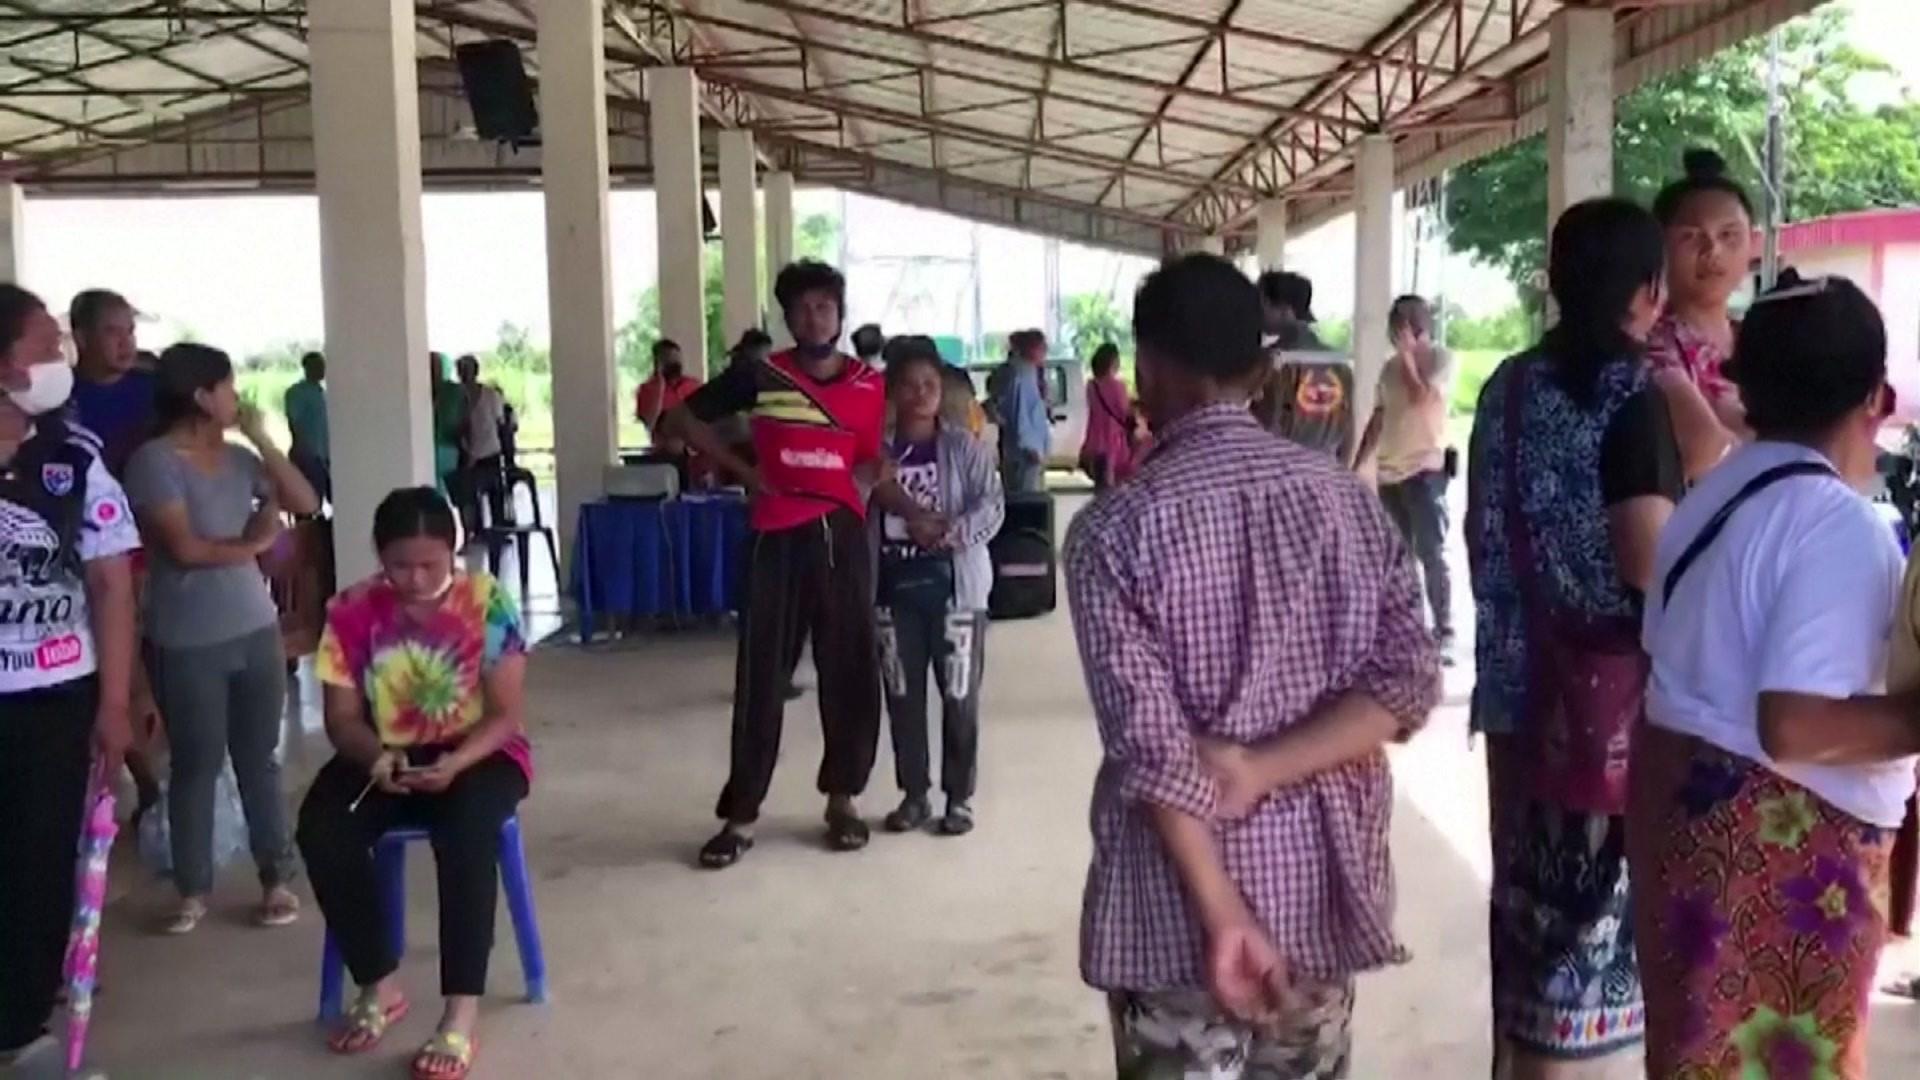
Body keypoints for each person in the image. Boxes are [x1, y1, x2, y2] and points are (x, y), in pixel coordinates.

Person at [1065, 254, 1440, 1078]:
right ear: (1262, 367)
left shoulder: (1112, 532)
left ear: (1147, 367)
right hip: (1318, 891)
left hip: (1175, 911)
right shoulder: (1346, 502)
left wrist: (1224, 913)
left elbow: (1153, 749)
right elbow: (1411, 680)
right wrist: (1265, 767)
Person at [1633, 272, 1918, 1077]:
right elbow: (1792, 726)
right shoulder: (1836, 525)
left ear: (1743, 392)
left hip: (1687, 834)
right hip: (1772, 853)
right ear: (1877, 397)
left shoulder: (1713, 494)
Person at [1465, 198, 1682, 1077]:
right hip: (1605, 706)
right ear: (1649, 291)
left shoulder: (1505, 384)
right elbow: (1644, 561)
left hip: (1515, 687)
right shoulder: (1636, 394)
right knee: (1586, 923)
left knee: (1523, 909)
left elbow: (1483, 526)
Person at [660, 260, 939, 868]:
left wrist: (914, 511)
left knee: (850, 670)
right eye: (802, 308)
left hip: (842, 535)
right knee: (762, 676)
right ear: (787, 317)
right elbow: (678, 423)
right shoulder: (759, 375)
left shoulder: (870, 384)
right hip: (773, 538)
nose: (814, 317)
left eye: (824, 306)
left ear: (839, 314)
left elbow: (872, 469)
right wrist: (746, 472)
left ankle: (842, 802)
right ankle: (740, 816)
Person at [296, 487, 530, 1080]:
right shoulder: (350, 611)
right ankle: (380, 983)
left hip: (479, 751)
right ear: (380, 555)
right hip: (385, 751)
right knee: (323, 825)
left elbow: (506, 715)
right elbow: (341, 719)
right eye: (401, 565)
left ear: (455, 550)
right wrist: (375, 757)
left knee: (467, 828)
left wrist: (456, 762)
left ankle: (460, 1015)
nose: (418, 578)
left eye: (432, 564)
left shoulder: (487, 602)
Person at [125, 343, 320, 934]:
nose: (237, 399)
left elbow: (306, 502)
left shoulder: (239, 459)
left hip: (253, 627)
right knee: (195, 763)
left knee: (257, 758)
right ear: (202, 395)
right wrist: (255, 546)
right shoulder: (154, 461)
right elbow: (185, 549)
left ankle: (277, 876)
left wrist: (263, 440)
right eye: (229, 388)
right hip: (186, 635)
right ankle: (192, 886)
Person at [0, 285, 138, 1072]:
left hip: (56, 697)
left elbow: (113, 585)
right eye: (45, 347)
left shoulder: (73, 460)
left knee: (41, 863)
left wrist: (116, 703)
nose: (61, 362)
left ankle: (22, 1028)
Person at [872, 339, 1004, 837]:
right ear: (893, 392)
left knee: (960, 695)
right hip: (893, 590)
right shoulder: (877, 452)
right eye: (908, 385)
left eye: (929, 384)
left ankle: (959, 797)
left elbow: (992, 506)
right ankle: (914, 795)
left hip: (957, 590)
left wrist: (946, 533)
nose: (920, 394)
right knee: (902, 695)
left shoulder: (964, 448)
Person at [1353, 296, 1457, 657]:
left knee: (1432, 552)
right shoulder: (1387, 370)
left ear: (1418, 326)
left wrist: (1410, 357)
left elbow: (1421, 398)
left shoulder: (1440, 360)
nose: (1396, 334)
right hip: (1390, 474)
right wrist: (1358, 464)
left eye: (1402, 326)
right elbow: (1379, 417)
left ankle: (1444, 629)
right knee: (1399, 557)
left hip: (1426, 472)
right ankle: (1409, 629)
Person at [1648, 148, 1754, 480]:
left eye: (1728, 235)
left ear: (1753, 243)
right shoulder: (1652, 346)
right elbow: (1702, 450)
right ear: (1660, 248)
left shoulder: (1759, 337)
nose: (1713, 251)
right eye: (1691, 237)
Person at [1254, 270, 1356, 462]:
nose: (1257, 311)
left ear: (1284, 308)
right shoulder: (1338, 363)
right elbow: (1348, 427)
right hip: (1328, 466)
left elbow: (1265, 424)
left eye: (1263, 304)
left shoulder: (1273, 362)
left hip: (1284, 467)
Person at [68, 288, 155, 477]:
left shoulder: (156, 389)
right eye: (112, 332)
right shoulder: (60, 396)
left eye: (130, 331)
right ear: (81, 338)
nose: (126, 342)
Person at [454, 355, 510, 531]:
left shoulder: (490, 395)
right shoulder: (456, 397)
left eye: (467, 369)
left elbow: (501, 423)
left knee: (494, 494)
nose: (464, 374)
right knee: (469, 498)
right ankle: (475, 531)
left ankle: (499, 529)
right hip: (469, 452)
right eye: (461, 370)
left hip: (488, 451)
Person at [994, 329, 1051, 494]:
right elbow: (1022, 413)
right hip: (1025, 451)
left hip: (1016, 448)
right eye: (1042, 347)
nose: (1045, 351)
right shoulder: (1022, 374)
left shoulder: (1018, 371)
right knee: (1026, 499)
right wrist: (1030, 445)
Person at [1079, 341, 1135, 491]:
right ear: (1113, 362)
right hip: (1114, 442)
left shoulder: (1091, 386)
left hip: (1095, 441)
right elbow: (1124, 412)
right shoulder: (1118, 386)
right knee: (1114, 486)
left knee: (1101, 486)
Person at [283, 350, 331, 504]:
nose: (323, 370)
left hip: (325, 456)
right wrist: (305, 450)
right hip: (308, 456)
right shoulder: (297, 392)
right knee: (309, 502)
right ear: (307, 368)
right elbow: (294, 422)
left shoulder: (322, 392)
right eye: (318, 366)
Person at [429, 354, 464, 496]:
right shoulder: (417, 389)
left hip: (448, 446)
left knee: (443, 490)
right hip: (434, 446)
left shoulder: (455, 391)